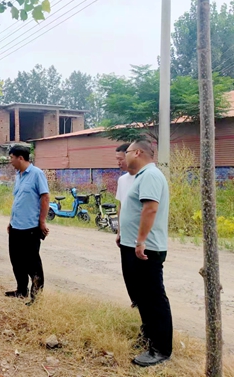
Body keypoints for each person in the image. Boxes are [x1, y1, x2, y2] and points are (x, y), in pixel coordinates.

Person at [120, 139, 172, 367]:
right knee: (142, 298)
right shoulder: (142, 176)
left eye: (127, 152)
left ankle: (160, 349)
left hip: (146, 249)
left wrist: (140, 241)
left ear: (138, 152)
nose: (124, 156)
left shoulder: (150, 175)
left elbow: (150, 208)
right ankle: (149, 339)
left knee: (153, 299)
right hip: (136, 246)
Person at [5, 144, 50, 306]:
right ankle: (21, 290)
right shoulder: (19, 175)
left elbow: (45, 198)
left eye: (11, 157)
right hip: (16, 226)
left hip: (30, 228)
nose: (10, 161)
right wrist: (11, 221)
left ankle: (36, 297)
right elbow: (18, 201)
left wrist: (42, 222)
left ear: (20, 158)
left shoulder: (37, 174)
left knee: (32, 263)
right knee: (16, 261)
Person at [114, 143, 138, 308]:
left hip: (142, 239)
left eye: (120, 159)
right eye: (117, 159)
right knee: (128, 273)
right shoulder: (122, 180)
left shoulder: (144, 177)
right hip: (126, 236)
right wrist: (119, 231)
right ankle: (135, 302)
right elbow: (121, 206)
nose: (118, 163)